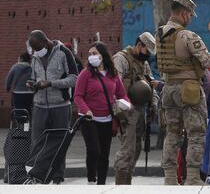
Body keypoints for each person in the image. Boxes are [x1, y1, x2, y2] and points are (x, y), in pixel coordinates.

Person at [156, 0, 210, 185]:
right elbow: (208, 61)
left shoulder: (159, 34)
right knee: (196, 133)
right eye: (190, 15)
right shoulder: (188, 35)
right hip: (188, 90)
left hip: (168, 89)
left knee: (172, 132)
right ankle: (192, 178)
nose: (190, 19)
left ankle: (170, 178)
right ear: (183, 13)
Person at [26, 30, 78, 184]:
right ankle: (36, 175)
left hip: (60, 106)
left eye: (38, 48)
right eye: (34, 49)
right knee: (37, 143)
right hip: (40, 106)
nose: (37, 52)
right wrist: (32, 85)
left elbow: (74, 78)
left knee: (59, 143)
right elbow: (33, 77)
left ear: (45, 41)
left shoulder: (63, 53)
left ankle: (57, 177)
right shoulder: (35, 57)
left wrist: (51, 83)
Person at [74, 42, 129, 185]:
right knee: (94, 150)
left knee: (104, 154)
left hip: (107, 120)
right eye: (90, 54)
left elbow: (122, 94)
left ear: (103, 55)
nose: (92, 57)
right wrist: (86, 110)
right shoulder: (85, 74)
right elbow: (78, 96)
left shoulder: (113, 74)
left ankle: (101, 183)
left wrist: (126, 105)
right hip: (89, 119)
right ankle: (91, 180)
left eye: (95, 53)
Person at [112, 32, 158, 185]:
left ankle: (128, 180)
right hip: (126, 111)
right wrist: (120, 111)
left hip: (140, 111)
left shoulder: (143, 63)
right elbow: (113, 85)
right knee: (128, 149)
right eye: (147, 51)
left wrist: (154, 103)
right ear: (139, 45)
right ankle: (121, 184)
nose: (148, 56)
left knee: (136, 148)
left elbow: (151, 84)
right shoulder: (121, 59)